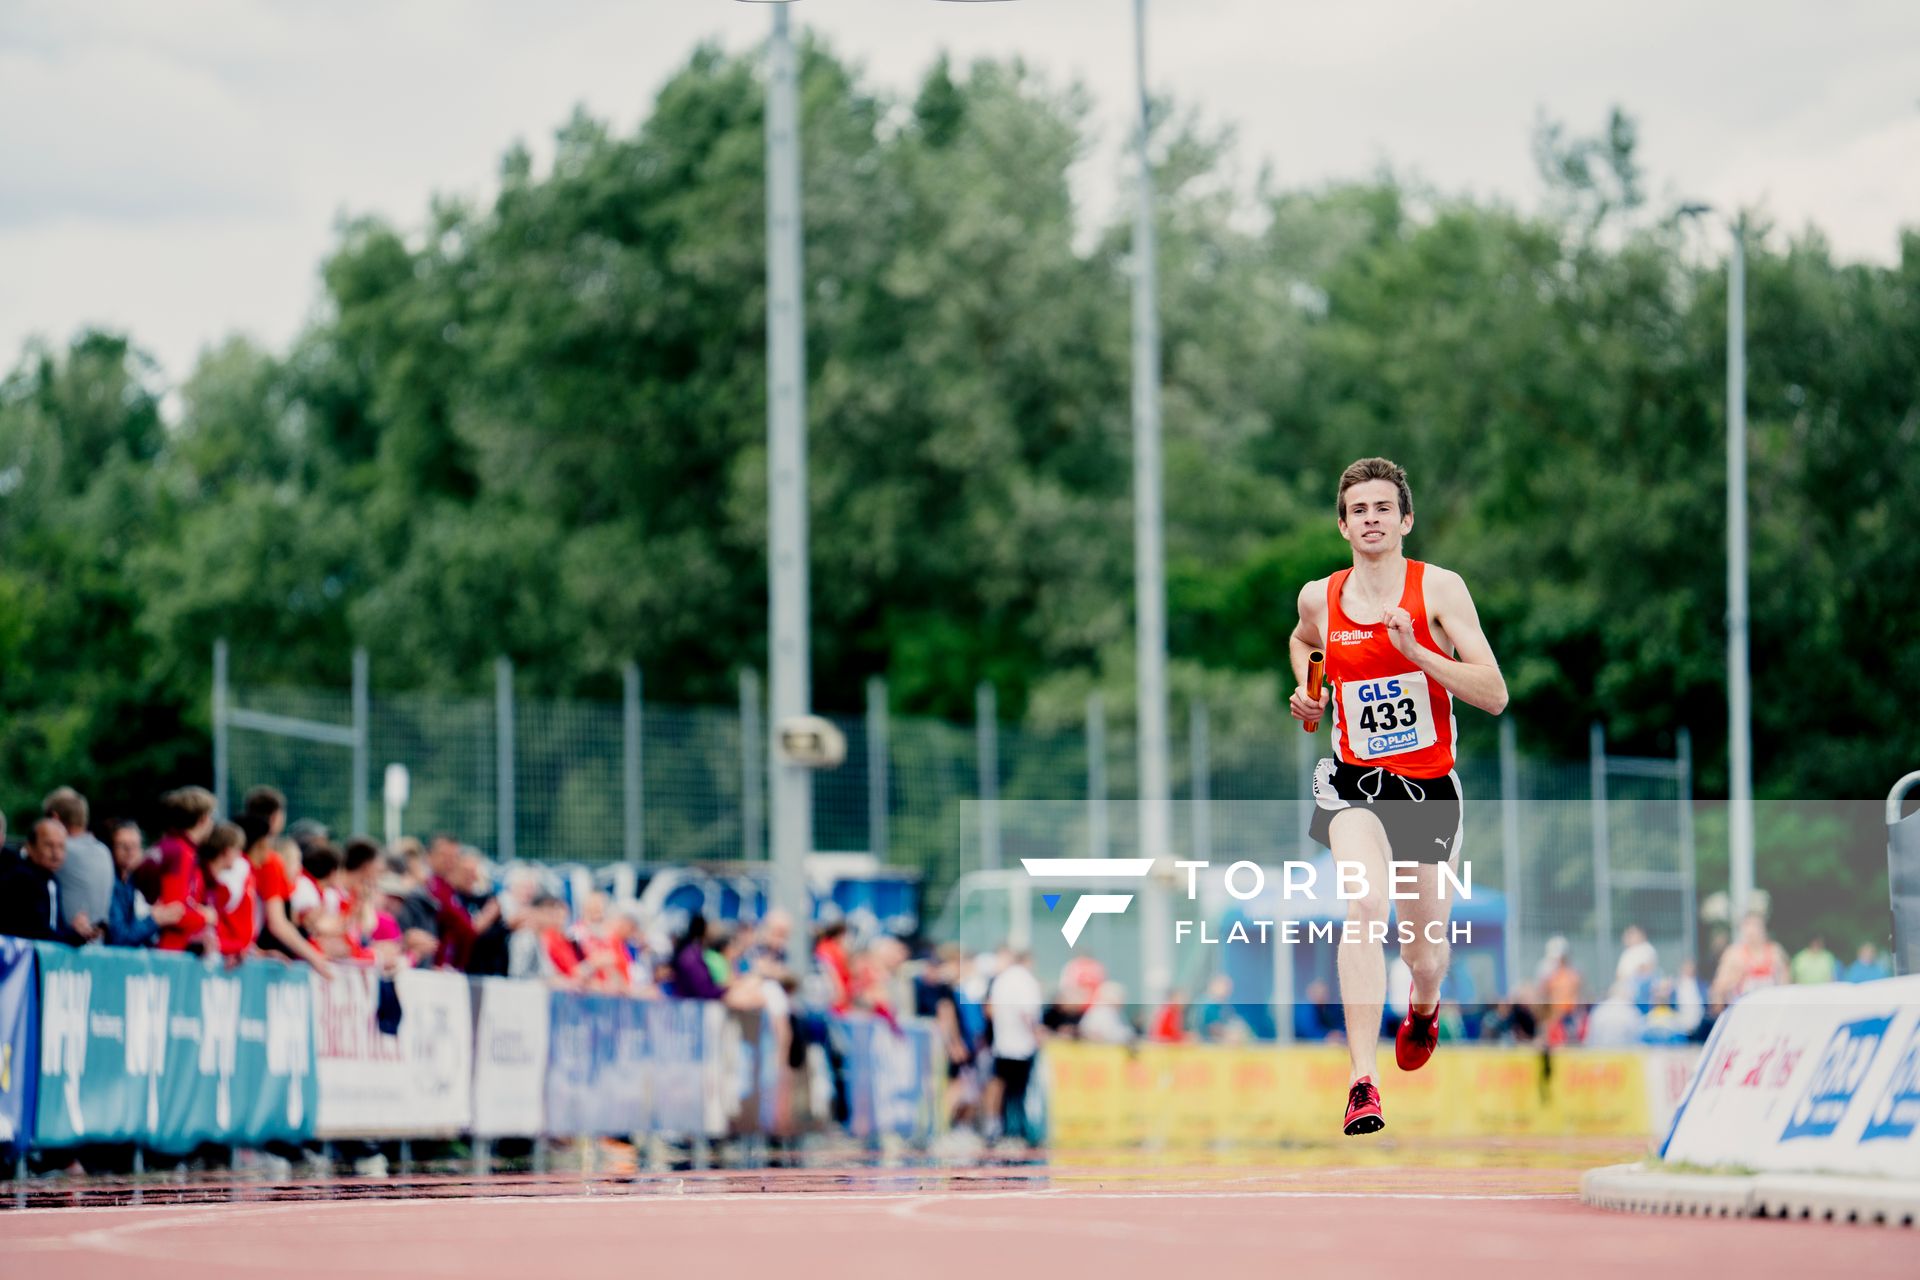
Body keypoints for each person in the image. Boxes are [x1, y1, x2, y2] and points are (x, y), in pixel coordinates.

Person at [1288, 457, 1508, 1136]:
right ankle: (1362, 1080)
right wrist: (1313, 690)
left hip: (1429, 791)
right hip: (1353, 783)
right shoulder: (1319, 598)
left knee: (1422, 949)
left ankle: (1425, 1003)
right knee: (1362, 906)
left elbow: (1494, 694)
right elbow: (1305, 644)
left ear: (1405, 519)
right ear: (1342, 525)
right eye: (1359, 510)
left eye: (1383, 508)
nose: (1371, 519)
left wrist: (1420, 654)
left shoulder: (1439, 591)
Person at [243, 814, 333, 976]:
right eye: (297, 862)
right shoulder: (272, 865)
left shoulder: (260, 868)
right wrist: (315, 958)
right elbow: (278, 923)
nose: (300, 869)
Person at [985, 947, 1043, 1146]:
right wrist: (1037, 1034)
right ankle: (1017, 1130)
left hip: (1003, 1043)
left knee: (1004, 1087)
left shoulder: (1001, 980)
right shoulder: (1024, 980)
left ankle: (1002, 1127)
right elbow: (1027, 1012)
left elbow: (990, 1009)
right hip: (1021, 1045)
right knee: (1019, 1091)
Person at [0, 818, 90, 943]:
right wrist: (73, 936)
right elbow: (35, 930)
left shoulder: (53, 881)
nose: (56, 854)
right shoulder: (20, 879)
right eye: (49, 845)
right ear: (30, 847)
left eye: (61, 846)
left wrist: (77, 930)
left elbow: (54, 927)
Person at [45, 788, 114, 941]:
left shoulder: (64, 851)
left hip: (64, 952)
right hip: (98, 948)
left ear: (54, 819)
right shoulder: (104, 852)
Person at [155, 786, 218, 952]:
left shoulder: (179, 848)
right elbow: (174, 911)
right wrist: (205, 916)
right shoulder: (179, 852)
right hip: (169, 950)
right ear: (203, 819)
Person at [105, 820, 184, 947]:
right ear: (111, 847)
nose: (129, 851)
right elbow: (120, 938)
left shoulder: (134, 880)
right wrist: (154, 920)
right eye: (122, 845)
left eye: (134, 846)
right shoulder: (109, 882)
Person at [1710, 911, 1790, 1007]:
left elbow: (1786, 986)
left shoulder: (1775, 952)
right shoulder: (1733, 954)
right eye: (1747, 926)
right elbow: (1717, 989)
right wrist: (1734, 979)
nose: (1752, 931)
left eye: (1756, 926)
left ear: (1763, 928)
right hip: (1743, 1011)